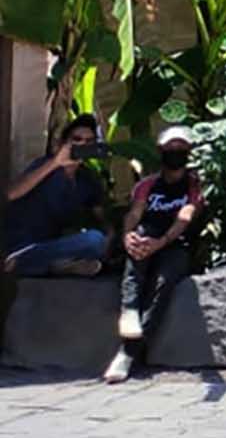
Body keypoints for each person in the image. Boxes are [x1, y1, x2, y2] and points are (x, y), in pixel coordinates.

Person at [103, 127, 204, 384]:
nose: (175, 153)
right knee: (135, 259)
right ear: (160, 151)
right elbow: (135, 214)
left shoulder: (194, 186)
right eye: (171, 148)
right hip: (147, 237)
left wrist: (162, 242)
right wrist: (128, 236)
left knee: (162, 283)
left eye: (181, 148)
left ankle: (128, 352)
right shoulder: (147, 185)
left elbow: (185, 217)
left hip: (175, 244)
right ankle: (129, 311)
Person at [3, 115, 108, 277]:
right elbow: (11, 194)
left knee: (96, 241)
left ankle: (55, 266)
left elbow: (101, 216)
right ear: (65, 143)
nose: (82, 144)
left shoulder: (87, 179)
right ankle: (31, 263)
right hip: (21, 246)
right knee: (94, 240)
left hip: (52, 246)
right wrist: (56, 162)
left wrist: (113, 235)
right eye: (77, 139)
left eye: (89, 141)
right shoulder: (45, 165)